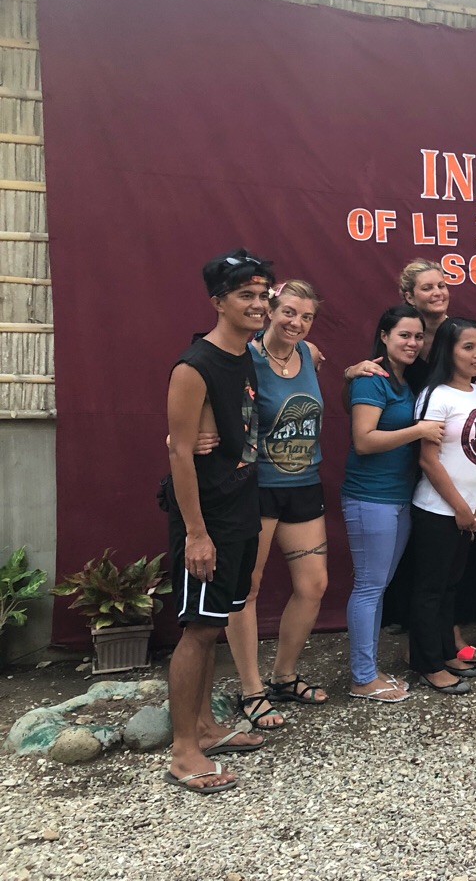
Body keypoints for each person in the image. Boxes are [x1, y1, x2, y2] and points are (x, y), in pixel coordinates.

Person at [162, 249, 274, 794]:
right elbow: (179, 453)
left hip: (242, 509)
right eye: (245, 296)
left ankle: (206, 726)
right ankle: (183, 750)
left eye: (262, 295)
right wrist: (196, 534)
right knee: (198, 630)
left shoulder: (245, 354)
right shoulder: (193, 366)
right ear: (218, 302)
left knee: (217, 624)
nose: (258, 304)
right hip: (208, 518)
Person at [346, 259, 476, 664]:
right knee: (424, 568)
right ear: (409, 297)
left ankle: (447, 636)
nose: (438, 292)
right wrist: (350, 371)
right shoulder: (402, 342)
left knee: (452, 570)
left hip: (457, 468)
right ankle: (424, 652)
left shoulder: (460, 338)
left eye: (442, 285)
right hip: (412, 469)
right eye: (427, 287)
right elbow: (373, 392)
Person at [224, 280, 330, 731]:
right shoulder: (245, 358)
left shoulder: (309, 354)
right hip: (258, 485)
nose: (296, 323)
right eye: (289, 312)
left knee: (313, 585)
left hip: (304, 483)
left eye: (306, 317)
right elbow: (213, 406)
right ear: (270, 309)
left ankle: (284, 676)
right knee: (247, 588)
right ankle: (251, 690)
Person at [342, 305, 444, 702]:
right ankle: (362, 677)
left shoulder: (405, 379)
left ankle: (368, 670)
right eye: (404, 335)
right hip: (371, 497)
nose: (412, 343)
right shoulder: (372, 379)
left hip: (399, 497)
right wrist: (418, 429)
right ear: (384, 336)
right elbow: (364, 440)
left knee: (378, 587)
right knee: (369, 587)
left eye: (418, 337)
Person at [406, 318, 476, 695]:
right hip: (437, 510)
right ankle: (427, 664)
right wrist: (460, 507)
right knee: (429, 589)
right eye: (468, 347)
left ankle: (446, 652)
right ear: (448, 351)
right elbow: (428, 460)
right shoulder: (435, 395)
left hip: (470, 512)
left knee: (449, 587)